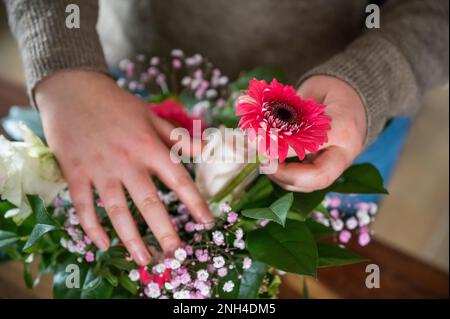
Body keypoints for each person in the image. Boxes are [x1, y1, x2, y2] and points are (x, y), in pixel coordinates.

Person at [4, 0, 449, 266]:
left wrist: (372, 77)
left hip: (343, 120)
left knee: (320, 262)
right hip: (123, 92)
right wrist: (66, 69)